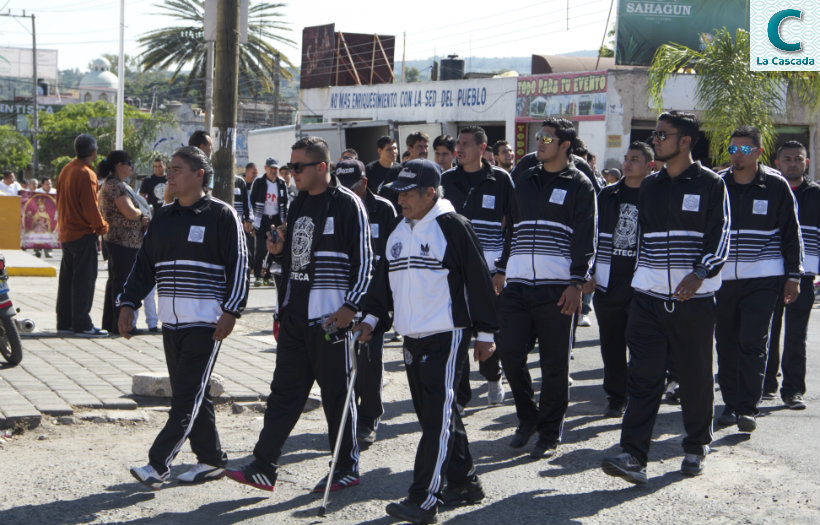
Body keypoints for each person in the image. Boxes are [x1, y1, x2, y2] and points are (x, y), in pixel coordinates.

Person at [354, 158, 498, 524]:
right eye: (397, 193)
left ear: (429, 193)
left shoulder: (452, 227)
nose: (399, 200)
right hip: (411, 336)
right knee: (438, 415)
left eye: (406, 194)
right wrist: (372, 317)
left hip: (445, 335)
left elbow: (480, 282)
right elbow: (383, 281)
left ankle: (424, 498)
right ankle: (465, 482)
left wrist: (485, 332)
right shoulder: (399, 231)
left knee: (437, 419)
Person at [226, 136, 373, 494]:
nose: (291, 173)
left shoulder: (349, 205)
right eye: (290, 167)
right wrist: (277, 254)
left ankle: (346, 466)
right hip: (295, 317)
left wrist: (350, 307)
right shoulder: (300, 201)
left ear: (321, 167)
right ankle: (264, 465)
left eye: (297, 167)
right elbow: (295, 259)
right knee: (283, 394)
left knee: (337, 397)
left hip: (331, 321)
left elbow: (367, 262)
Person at [601, 111, 730, 484]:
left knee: (694, 377)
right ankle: (634, 456)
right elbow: (635, 239)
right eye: (655, 134)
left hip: (695, 300)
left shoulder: (710, 184)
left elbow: (721, 235)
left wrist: (700, 272)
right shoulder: (651, 185)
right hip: (647, 298)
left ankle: (694, 446)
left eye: (662, 134)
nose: (655, 139)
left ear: (685, 141)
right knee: (642, 377)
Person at [121, 145, 248, 489]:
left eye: (177, 169)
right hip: (171, 324)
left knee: (185, 398)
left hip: (206, 324)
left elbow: (240, 266)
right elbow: (144, 265)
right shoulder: (163, 216)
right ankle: (211, 461)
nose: (170, 175)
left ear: (199, 175)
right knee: (194, 393)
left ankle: (158, 465)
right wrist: (128, 302)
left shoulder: (222, 215)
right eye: (170, 169)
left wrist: (232, 310)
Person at [495, 117, 597, 459]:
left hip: (557, 288)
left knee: (555, 366)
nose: (539, 142)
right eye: (538, 137)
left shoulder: (580, 184)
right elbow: (511, 230)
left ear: (565, 145)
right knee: (508, 352)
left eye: (546, 138)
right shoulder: (524, 179)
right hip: (518, 284)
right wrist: (501, 269)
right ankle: (528, 418)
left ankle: (550, 433)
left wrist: (576, 283)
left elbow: (587, 237)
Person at [714, 126, 802, 432]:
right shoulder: (718, 184)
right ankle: (730, 403)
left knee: (753, 342)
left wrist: (793, 275)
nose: (737, 155)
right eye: (733, 149)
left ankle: (748, 408)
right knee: (726, 342)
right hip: (722, 280)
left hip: (765, 277)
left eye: (744, 150)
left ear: (759, 153)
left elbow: (792, 234)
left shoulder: (776, 186)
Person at [441, 126, 514, 410]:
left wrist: (503, 267)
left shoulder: (501, 180)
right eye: (458, 143)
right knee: (456, 330)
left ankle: (493, 377)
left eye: (465, 144)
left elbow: (514, 227)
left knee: (487, 328)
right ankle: (460, 395)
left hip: (488, 270)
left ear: (482, 148)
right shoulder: (446, 179)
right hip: (453, 271)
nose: (459, 149)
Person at [335, 159, 397, 446]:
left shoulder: (384, 209)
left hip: (373, 301)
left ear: (365, 183)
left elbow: (392, 259)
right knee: (340, 365)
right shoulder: (331, 207)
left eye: (353, 187)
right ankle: (346, 417)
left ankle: (369, 417)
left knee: (369, 362)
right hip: (341, 299)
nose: (347, 192)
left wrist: (384, 306)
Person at [589, 142, 653, 418]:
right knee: (612, 344)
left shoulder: (657, 195)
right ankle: (616, 397)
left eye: (635, 159)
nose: (627, 164)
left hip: (644, 285)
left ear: (649, 165)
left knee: (643, 347)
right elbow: (589, 235)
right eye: (626, 159)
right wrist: (588, 272)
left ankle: (642, 397)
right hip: (609, 283)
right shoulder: (607, 195)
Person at [765, 141, 815, 410]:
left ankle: (793, 390)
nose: (793, 163)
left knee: (796, 335)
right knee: (766, 332)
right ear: (777, 162)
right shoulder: (769, 191)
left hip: (803, 276)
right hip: (770, 271)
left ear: (806, 162)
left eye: (798, 158)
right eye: (787, 159)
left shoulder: (816, 194)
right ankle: (766, 385)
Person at [55, 134, 109, 338]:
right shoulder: (87, 173)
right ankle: (82, 324)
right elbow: (90, 207)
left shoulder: (66, 169)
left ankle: (65, 322)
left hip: (67, 233)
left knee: (67, 281)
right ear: (94, 152)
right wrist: (102, 226)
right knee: (84, 281)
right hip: (84, 234)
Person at [97, 150, 151, 335]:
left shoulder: (117, 184)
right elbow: (129, 212)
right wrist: (141, 214)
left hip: (121, 241)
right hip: (122, 242)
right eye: (128, 163)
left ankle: (112, 323)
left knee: (116, 282)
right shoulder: (115, 186)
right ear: (119, 165)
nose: (131, 166)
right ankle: (120, 325)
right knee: (122, 283)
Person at [249, 158, 289, 286]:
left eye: (275, 169)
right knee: (261, 247)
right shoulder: (259, 182)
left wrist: (285, 220)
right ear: (266, 168)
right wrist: (252, 220)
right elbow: (252, 200)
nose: (273, 171)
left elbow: (286, 202)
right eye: (271, 168)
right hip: (262, 218)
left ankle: (268, 275)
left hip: (277, 217)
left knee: (275, 246)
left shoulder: (281, 183)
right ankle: (258, 275)